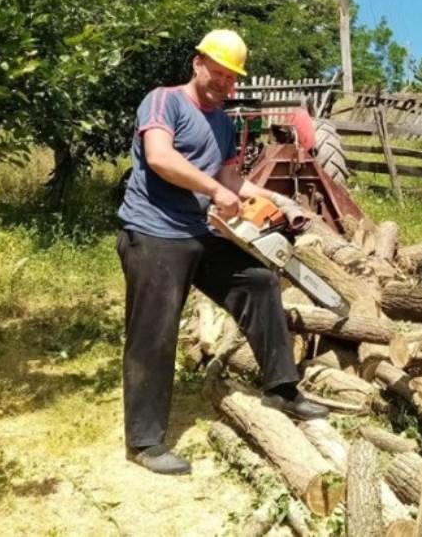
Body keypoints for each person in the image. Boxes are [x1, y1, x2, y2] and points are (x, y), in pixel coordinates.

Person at [116, 28, 328, 476]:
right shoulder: (164, 101)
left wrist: (277, 201)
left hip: (198, 231)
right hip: (153, 233)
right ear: (198, 63)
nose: (224, 84)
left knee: (260, 282)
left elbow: (230, 179)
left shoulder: (223, 123)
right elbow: (159, 157)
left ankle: (282, 389)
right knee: (154, 332)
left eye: (231, 78)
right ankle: (145, 441)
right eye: (218, 73)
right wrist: (213, 190)